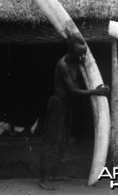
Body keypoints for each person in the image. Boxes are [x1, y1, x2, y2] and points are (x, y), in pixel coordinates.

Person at [39, 32, 110, 191]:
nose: (83, 57)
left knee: (63, 140)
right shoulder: (63, 64)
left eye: (84, 53)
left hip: (67, 106)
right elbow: (72, 90)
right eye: (80, 54)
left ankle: (53, 173)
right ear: (71, 52)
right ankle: (44, 179)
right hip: (58, 106)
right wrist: (94, 92)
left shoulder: (78, 61)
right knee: (53, 140)